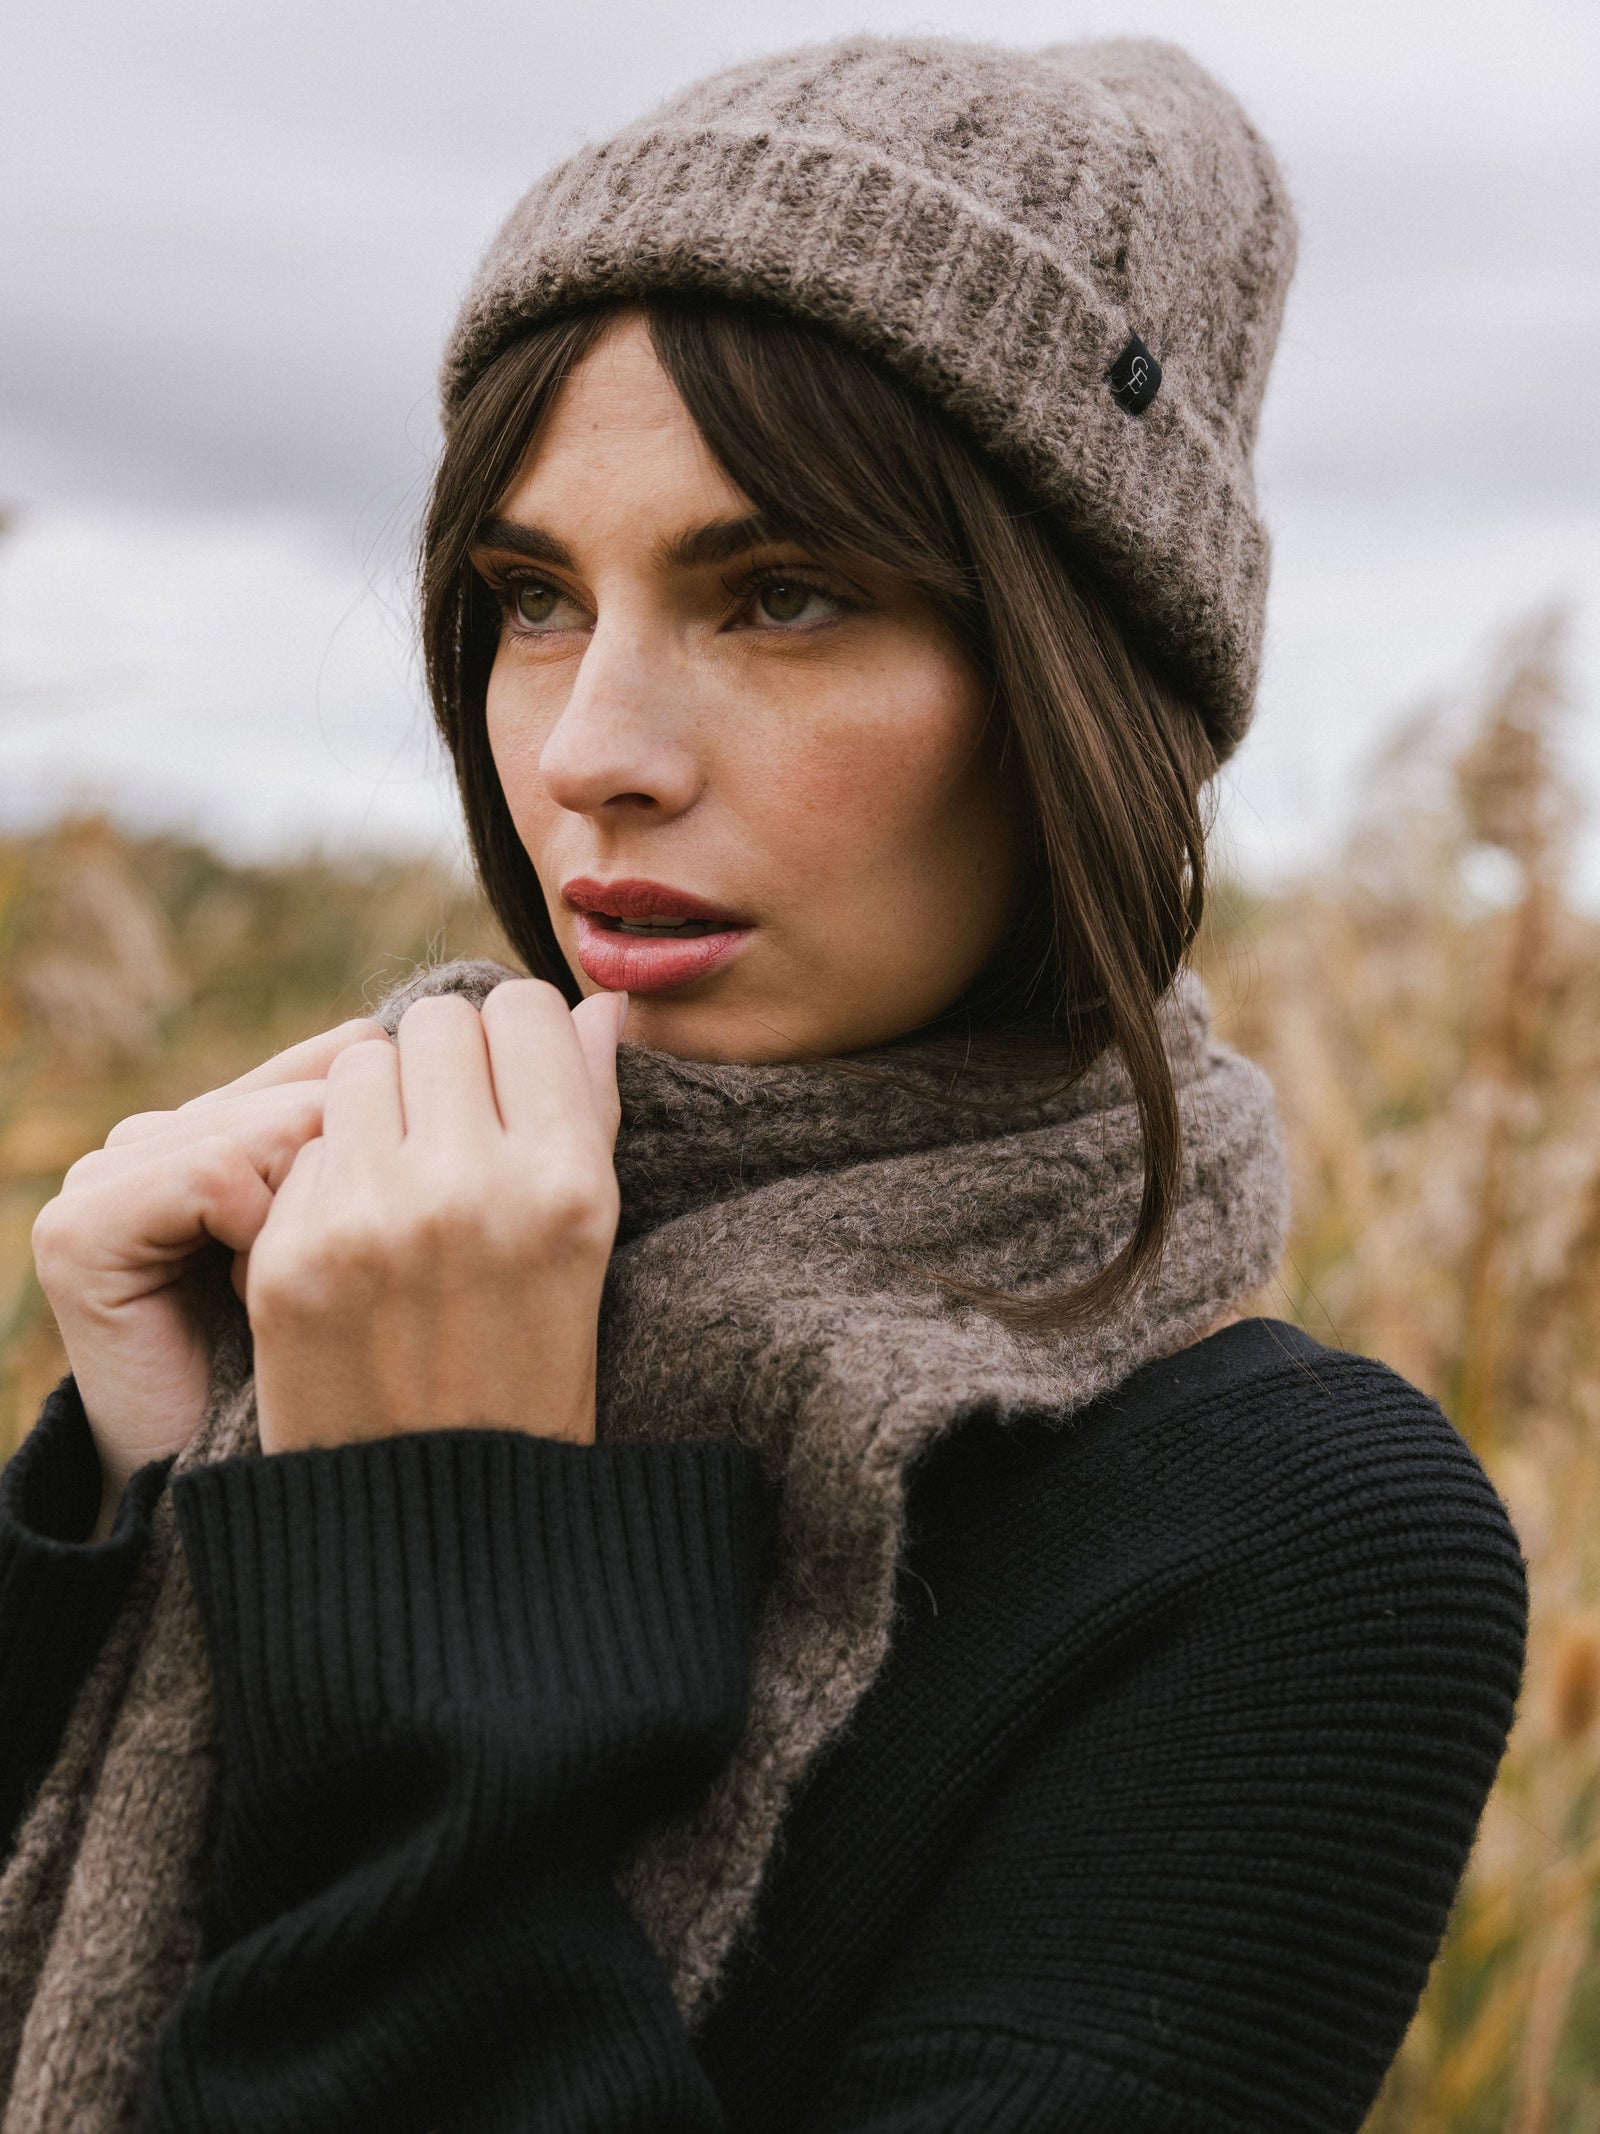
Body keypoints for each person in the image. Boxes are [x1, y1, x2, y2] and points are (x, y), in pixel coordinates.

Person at [0, 34, 1525, 2134]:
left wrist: (426, 1555)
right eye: (531, 598)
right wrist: (145, 1488)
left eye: (779, 593)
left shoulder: (1288, 1542)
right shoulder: (334, 1273)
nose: (588, 746)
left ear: (1077, 684)